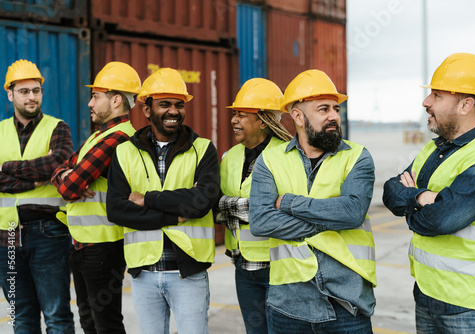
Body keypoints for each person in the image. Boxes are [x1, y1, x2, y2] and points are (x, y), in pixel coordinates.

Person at [249, 69, 377, 334]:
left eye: (336, 109)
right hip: (288, 305)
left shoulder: (358, 157)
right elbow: (260, 222)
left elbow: (352, 213)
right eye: (323, 109)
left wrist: (289, 203)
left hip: (346, 302)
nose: (333, 116)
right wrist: (329, 223)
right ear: (297, 116)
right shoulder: (270, 161)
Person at [383, 53, 475, 333]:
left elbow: (439, 220)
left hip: (470, 305)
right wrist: (422, 198)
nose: (425, 102)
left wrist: (413, 205)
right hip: (426, 294)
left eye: (436, 95)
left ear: (465, 104)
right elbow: (390, 191)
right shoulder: (432, 149)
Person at [106, 67, 220, 334]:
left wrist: (146, 198)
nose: (173, 111)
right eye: (164, 104)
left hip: (188, 273)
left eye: (179, 105)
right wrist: (174, 214)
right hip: (144, 273)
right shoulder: (125, 151)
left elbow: (201, 202)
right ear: (146, 110)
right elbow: (117, 210)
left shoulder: (202, 149)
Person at [51, 61, 141, 334]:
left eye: (95, 96)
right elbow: (59, 171)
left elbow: (68, 187)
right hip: (84, 244)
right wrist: (66, 175)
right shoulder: (99, 137)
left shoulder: (118, 138)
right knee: (89, 321)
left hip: (103, 247)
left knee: (106, 324)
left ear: (115, 100)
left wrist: (69, 177)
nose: (89, 103)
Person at [0, 59, 74, 333]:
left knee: (56, 315)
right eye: (24, 91)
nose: (32, 96)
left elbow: (58, 163)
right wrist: (37, 176)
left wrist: (5, 170)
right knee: (21, 316)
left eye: (36, 90)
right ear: (10, 94)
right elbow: (46, 169)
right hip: (5, 234)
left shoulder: (58, 128)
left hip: (49, 232)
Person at [218, 78, 293, 333]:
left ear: (263, 120)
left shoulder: (287, 156)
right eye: (234, 114)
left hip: (279, 265)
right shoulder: (230, 157)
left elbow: (284, 210)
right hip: (243, 265)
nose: (234, 120)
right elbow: (215, 207)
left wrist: (231, 206)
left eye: (242, 114)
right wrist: (250, 207)